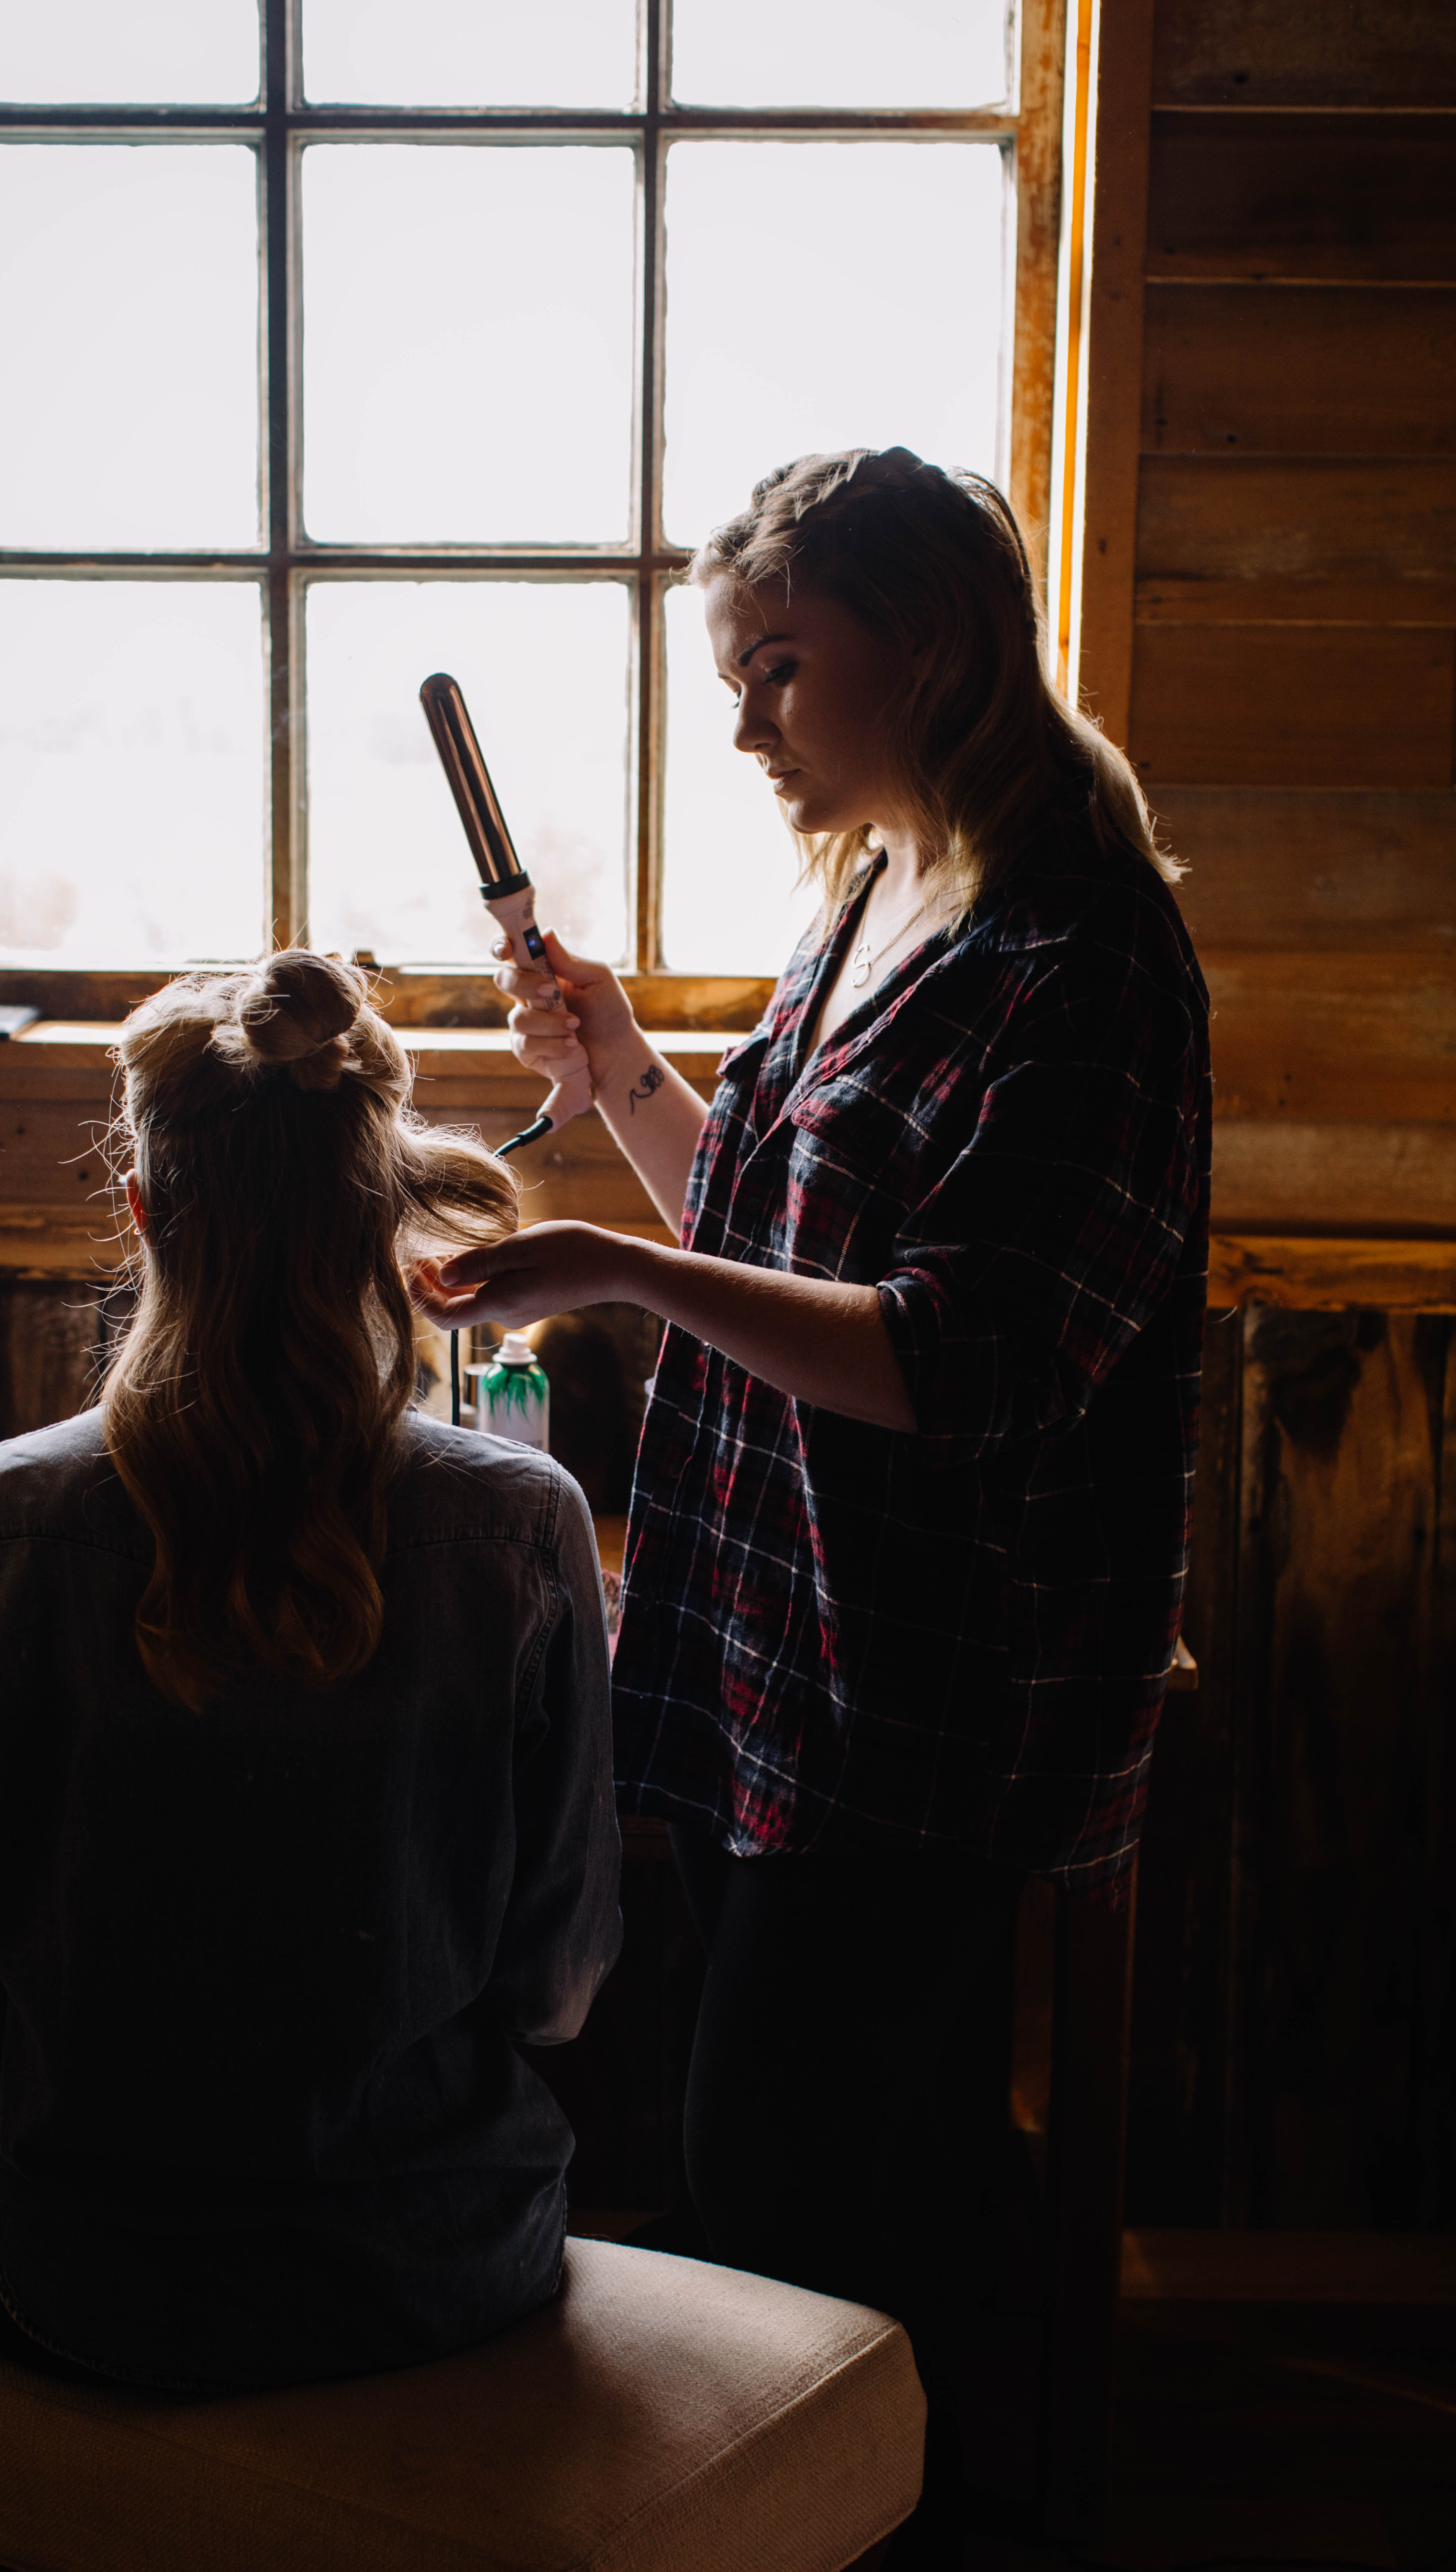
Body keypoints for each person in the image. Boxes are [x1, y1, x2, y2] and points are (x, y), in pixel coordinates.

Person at [416, 448, 1211, 2544]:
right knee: (914, 2156)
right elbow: (773, 1230)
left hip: (933, 1692)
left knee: (772, 2166)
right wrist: (627, 1090)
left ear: (926, 644)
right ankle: (979, 2504)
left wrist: (601, 1270)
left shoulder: (1079, 957)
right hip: (795, 1646)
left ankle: (874, 2517)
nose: (750, 721)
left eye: (779, 667)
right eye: (735, 676)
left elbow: (955, 1356)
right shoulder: (878, 887)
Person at [0, 951, 620, 2394]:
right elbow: (555, 1987)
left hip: (75, 2272)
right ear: (383, 1227)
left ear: (145, 1208)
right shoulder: (525, 1527)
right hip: (438, 2262)